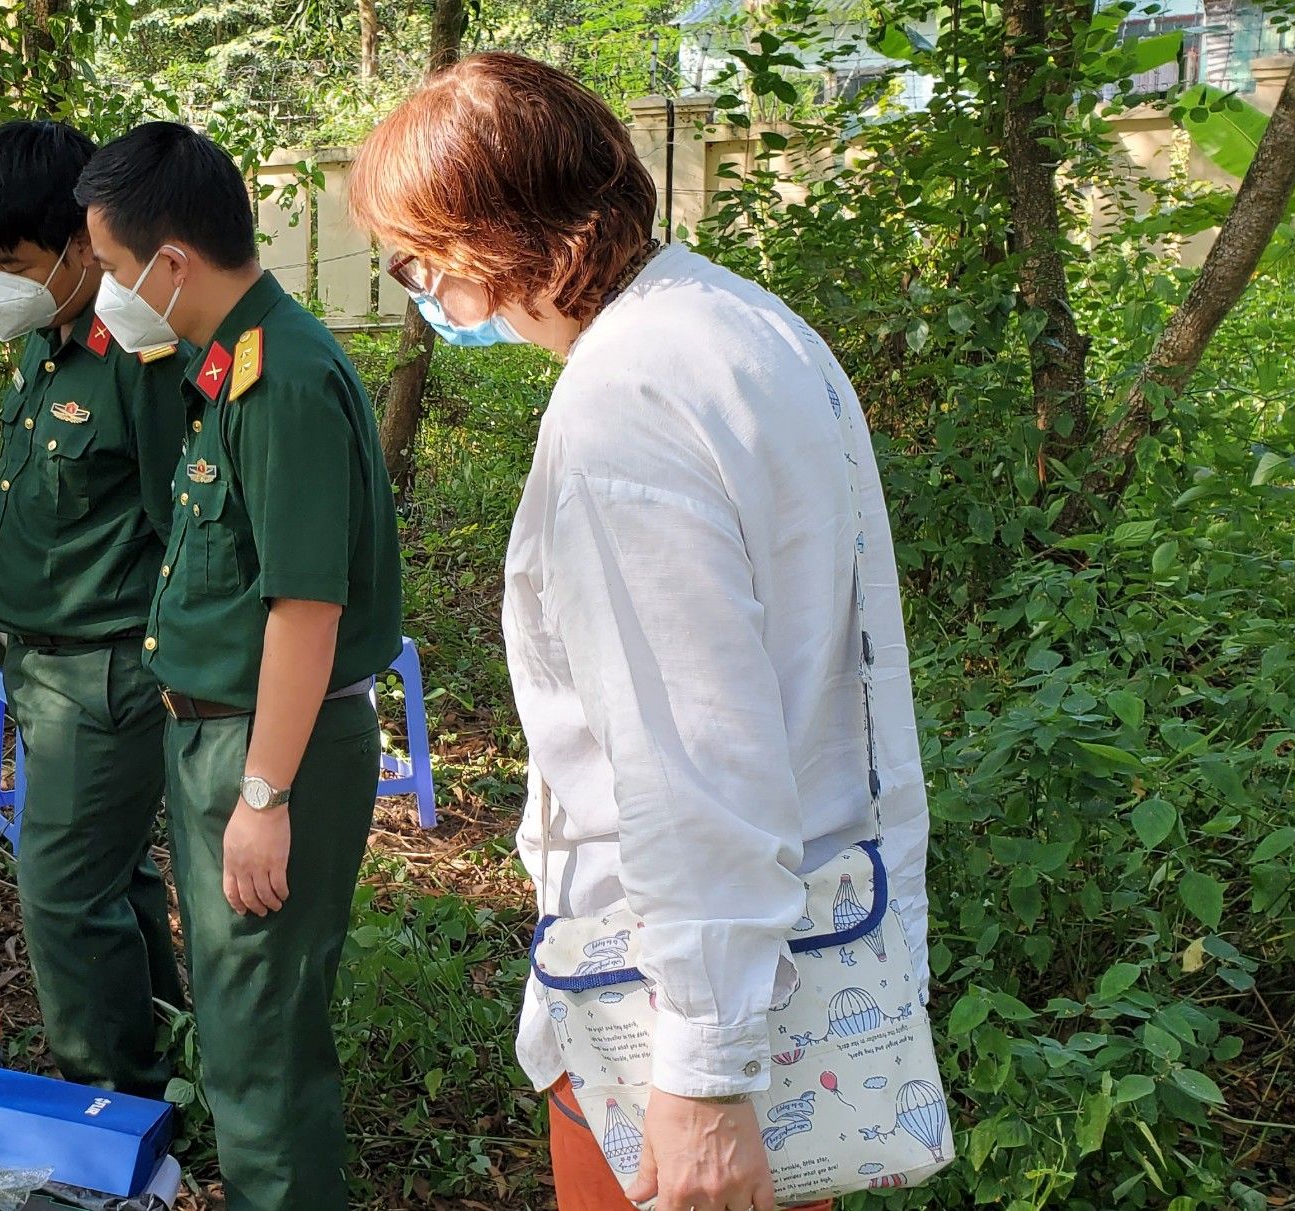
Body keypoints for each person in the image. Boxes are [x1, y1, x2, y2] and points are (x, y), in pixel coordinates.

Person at [350, 52, 932, 1211]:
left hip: (680, 1007)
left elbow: (686, 757)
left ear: (522, 242)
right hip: (802, 949)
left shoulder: (623, 405)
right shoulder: (740, 322)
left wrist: (704, 1075)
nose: (427, 294)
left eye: (426, 263)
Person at [73, 122, 404, 1211]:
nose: (110, 295)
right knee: (243, 1013)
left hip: (271, 747)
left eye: (115, 271)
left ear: (170, 262)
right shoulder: (230, 363)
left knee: (256, 1035)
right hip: (229, 736)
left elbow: (305, 610)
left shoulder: (283, 377)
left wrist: (262, 794)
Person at [0, 119, 189, 1098]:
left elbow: (188, 523)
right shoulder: (45, 344)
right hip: (43, 667)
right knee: (113, 883)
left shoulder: (139, 354)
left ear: (85, 244)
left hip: (106, 668)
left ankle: (104, 1099)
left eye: (13, 260)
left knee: (59, 893)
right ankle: (165, 1072)